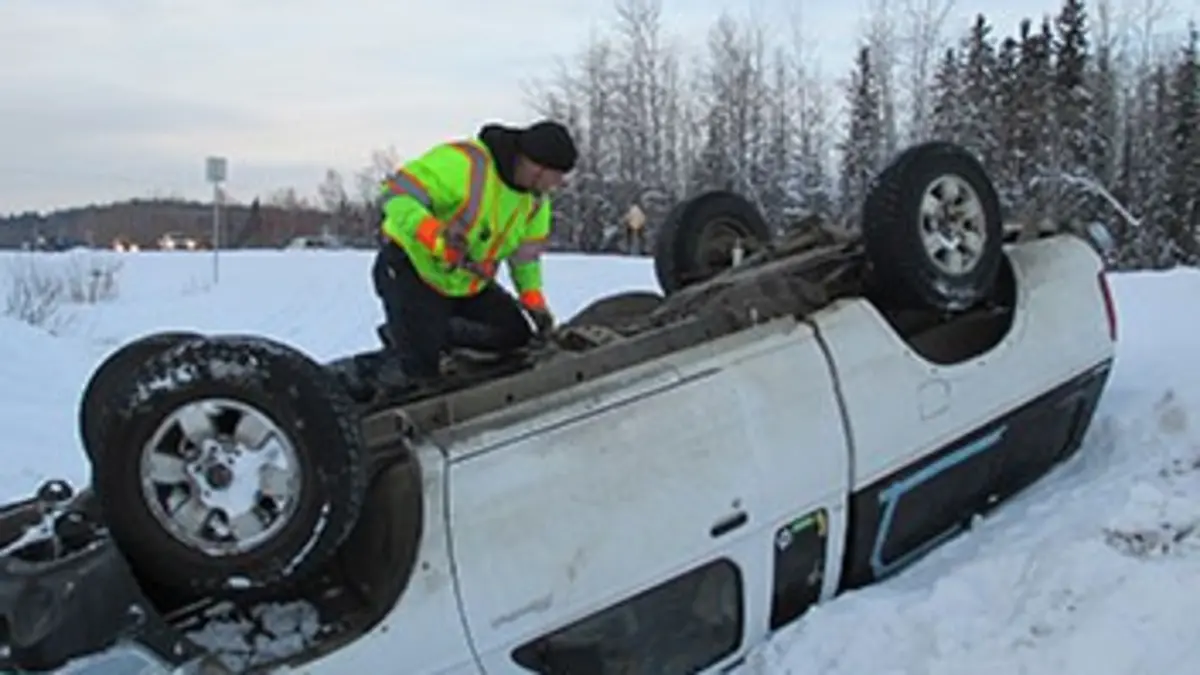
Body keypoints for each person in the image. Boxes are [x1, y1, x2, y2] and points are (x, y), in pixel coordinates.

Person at [372, 119, 578, 381]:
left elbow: (525, 258)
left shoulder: (536, 202)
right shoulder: (465, 165)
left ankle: (426, 335)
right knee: (422, 371)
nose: (558, 184)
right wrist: (436, 235)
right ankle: (404, 345)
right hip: (412, 269)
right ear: (538, 167)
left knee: (515, 337)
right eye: (557, 176)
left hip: (467, 283)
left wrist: (534, 302)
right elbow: (396, 195)